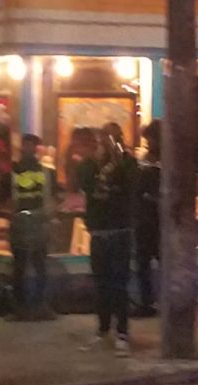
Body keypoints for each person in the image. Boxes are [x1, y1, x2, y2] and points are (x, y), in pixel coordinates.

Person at [78, 123, 137, 357]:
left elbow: (131, 182)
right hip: (99, 232)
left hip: (119, 231)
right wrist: (97, 160)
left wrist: (119, 158)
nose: (107, 143)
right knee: (100, 283)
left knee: (119, 284)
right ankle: (103, 329)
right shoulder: (91, 165)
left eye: (112, 138)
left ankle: (122, 333)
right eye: (104, 139)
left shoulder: (127, 163)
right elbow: (84, 183)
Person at [8, 134, 56, 321]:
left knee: (39, 265)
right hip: (20, 222)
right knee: (20, 267)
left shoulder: (46, 171)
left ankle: (39, 305)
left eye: (31, 145)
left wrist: (48, 217)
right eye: (25, 144)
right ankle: (20, 307)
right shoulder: (14, 170)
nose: (27, 148)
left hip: (39, 221)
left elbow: (51, 196)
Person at [134, 120, 162, 317]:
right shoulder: (146, 159)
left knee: (162, 262)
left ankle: (162, 300)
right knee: (143, 262)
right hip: (144, 220)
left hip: (159, 221)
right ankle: (147, 301)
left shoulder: (165, 161)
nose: (147, 143)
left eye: (150, 139)